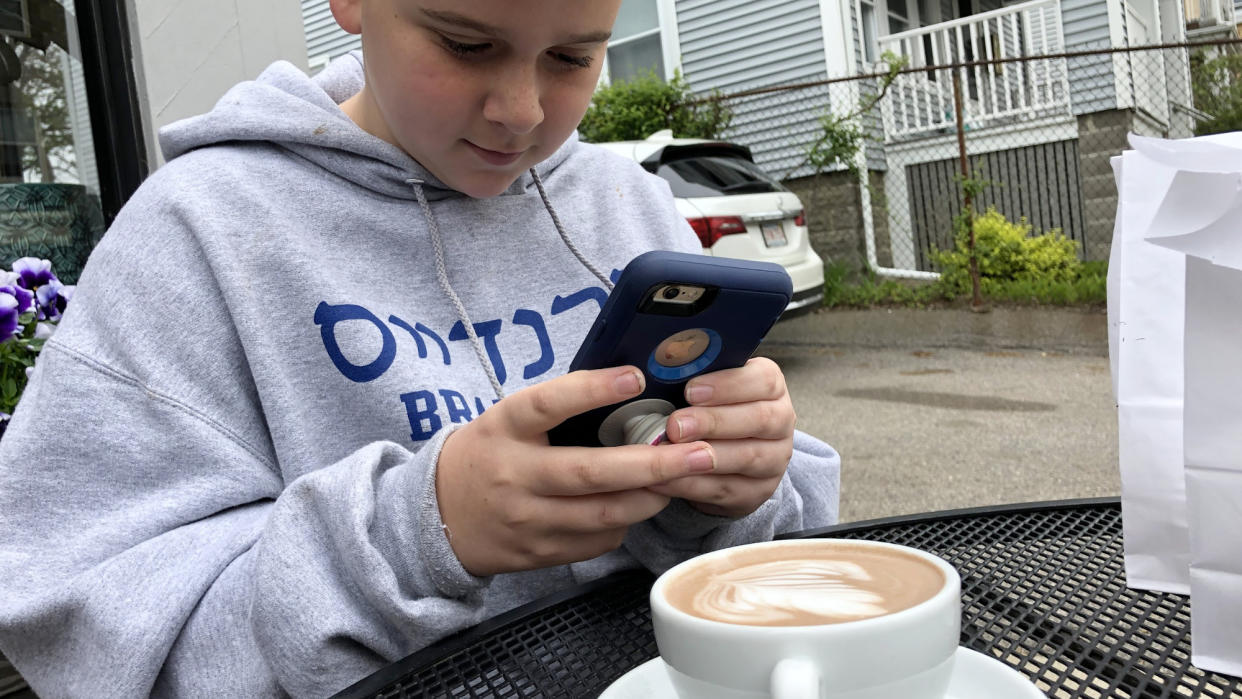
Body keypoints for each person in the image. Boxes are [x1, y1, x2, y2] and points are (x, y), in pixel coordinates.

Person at [0, 0, 841, 696]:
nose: (522, 109)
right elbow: (94, 635)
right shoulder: (200, 232)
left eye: (573, 58)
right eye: (466, 43)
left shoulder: (625, 204)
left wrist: (726, 488)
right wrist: (423, 532)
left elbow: (764, 565)